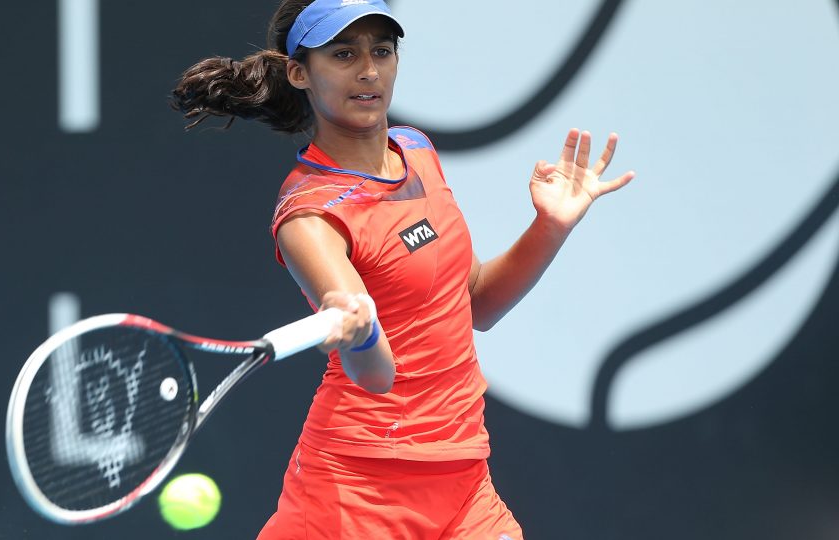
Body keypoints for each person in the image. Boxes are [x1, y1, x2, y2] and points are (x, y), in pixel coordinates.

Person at [171, 0, 634, 537]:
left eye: (382, 51)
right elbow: (374, 373)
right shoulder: (310, 215)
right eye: (343, 54)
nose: (368, 70)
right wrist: (359, 329)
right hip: (358, 492)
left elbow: (476, 302)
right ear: (299, 72)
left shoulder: (416, 150)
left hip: (464, 480)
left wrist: (550, 227)